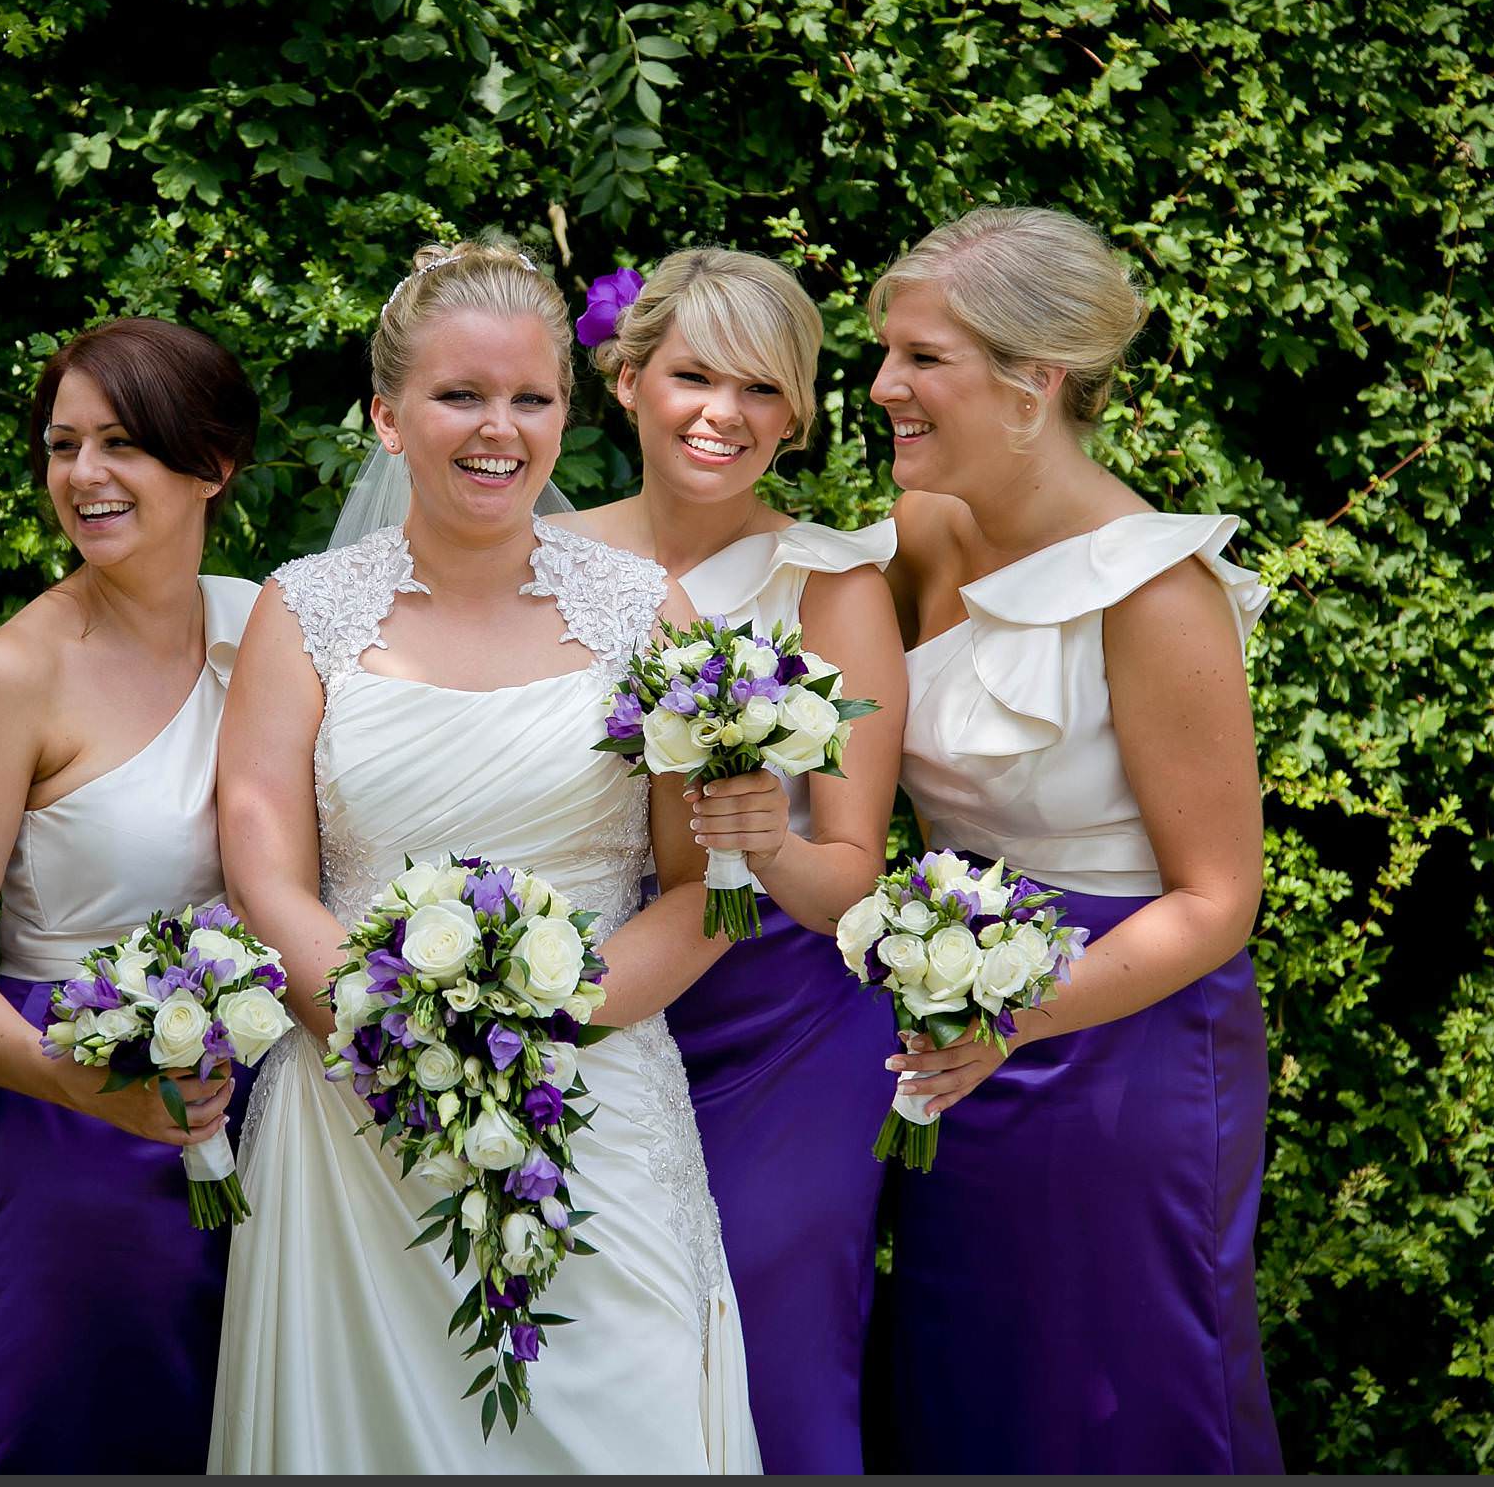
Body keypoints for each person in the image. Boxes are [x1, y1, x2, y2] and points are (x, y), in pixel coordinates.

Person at [209, 237, 773, 1472]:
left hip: (594, 1096)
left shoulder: (647, 612)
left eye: (531, 397)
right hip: (355, 1111)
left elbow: (706, 890)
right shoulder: (300, 608)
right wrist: (391, 1033)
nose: (498, 429)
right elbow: (263, 869)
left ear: (571, 412)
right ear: (386, 414)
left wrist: (557, 1025)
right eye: (460, 394)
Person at [870, 207, 1283, 1473]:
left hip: (1122, 1045)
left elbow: (1219, 898)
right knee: (965, 1369)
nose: (883, 385)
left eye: (922, 358)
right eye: (888, 353)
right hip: (949, 1030)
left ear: (1034, 380)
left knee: (1119, 1381)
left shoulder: (1155, 593)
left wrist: (1012, 1014)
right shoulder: (926, 534)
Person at [557, 249, 905, 1473]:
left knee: (774, 1353)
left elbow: (854, 873)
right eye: (694, 374)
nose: (724, 412)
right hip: (589, 1007)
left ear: (798, 413)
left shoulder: (832, 581)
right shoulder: (542, 555)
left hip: (786, 1028)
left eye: (762, 388)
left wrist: (770, 845)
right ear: (627, 378)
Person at [0, 318, 260, 1474]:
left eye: (125, 443)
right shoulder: (10, 673)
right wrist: (80, 1084)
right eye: (64, 444)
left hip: (268, 1116)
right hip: (68, 1123)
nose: (85, 475)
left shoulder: (269, 626)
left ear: (214, 463)